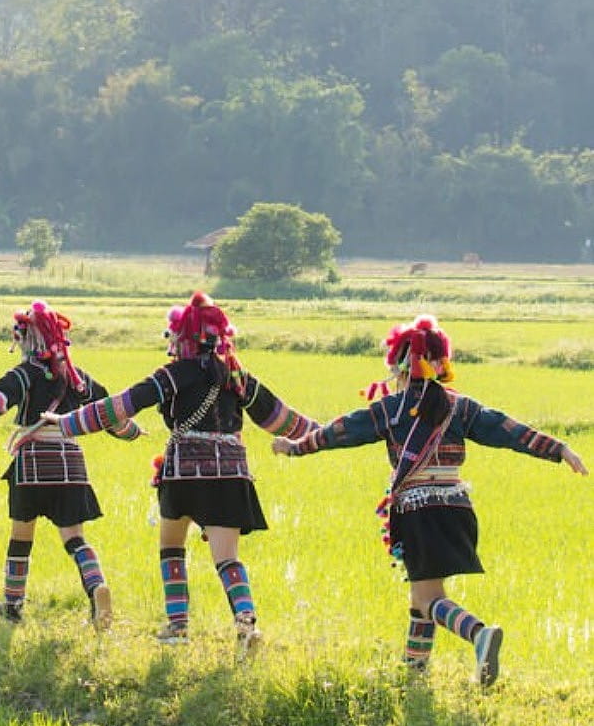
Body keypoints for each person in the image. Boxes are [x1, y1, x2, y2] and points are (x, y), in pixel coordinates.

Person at [272, 314, 587, 687]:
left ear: (400, 363)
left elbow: (342, 430)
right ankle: (412, 671)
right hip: (457, 510)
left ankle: (478, 634)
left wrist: (295, 447)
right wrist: (559, 448)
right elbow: (507, 429)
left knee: (429, 599)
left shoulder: (390, 409)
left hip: (419, 511)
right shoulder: (461, 407)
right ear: (440, 362)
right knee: (422, 594)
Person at [42, 291, 317, 656]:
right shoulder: (237, 377)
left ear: (182, 337)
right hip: (231, 475)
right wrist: (325, 434)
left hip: (184, 473)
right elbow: (282, 418)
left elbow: (123, 404)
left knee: (172, 548)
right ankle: (247, 623)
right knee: (227, 558)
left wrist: (68, 422)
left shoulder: (172, 375)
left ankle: (177, 626)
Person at [0, 300, 142, 630]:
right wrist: (132, 431)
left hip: (34, 462)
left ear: (26, 338)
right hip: (71, 463)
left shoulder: (26, 372)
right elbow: (108, 411)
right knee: (75, 538)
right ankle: (96, 588)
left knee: (22, 535)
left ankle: (11, 604)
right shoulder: (79, 379)